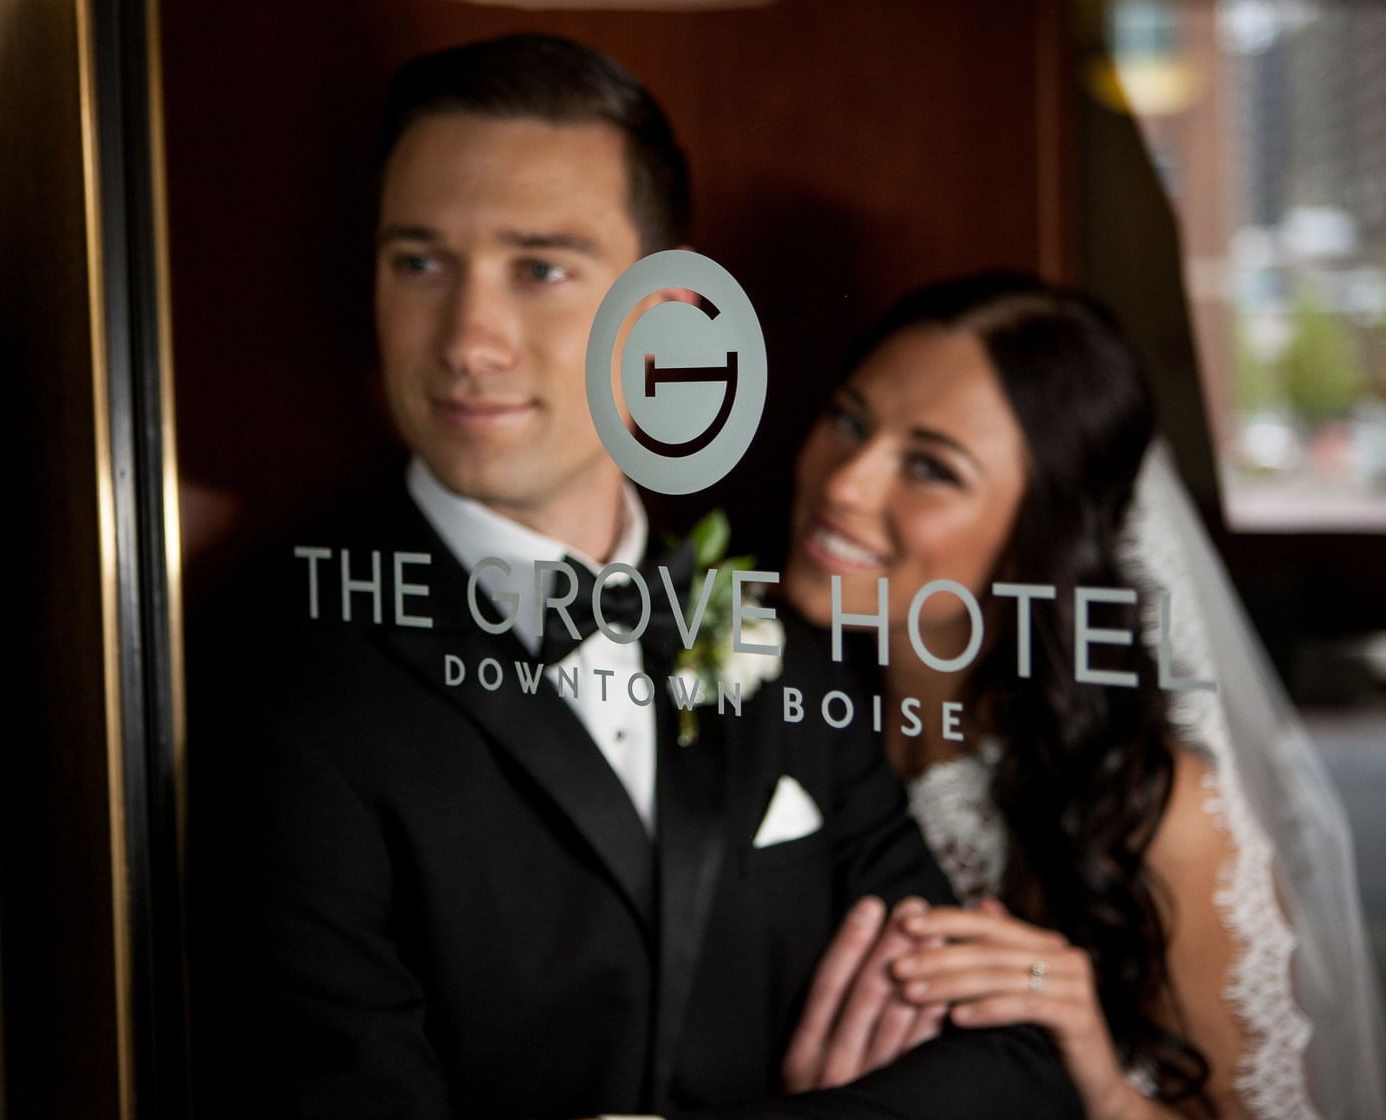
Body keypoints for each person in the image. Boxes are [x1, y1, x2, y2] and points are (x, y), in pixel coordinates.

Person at [188, 35, 1082, 1120]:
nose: (467, 341)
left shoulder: (786, 650)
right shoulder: (278, 671)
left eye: (540, 268)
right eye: (418, 260)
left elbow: (1016, 1076)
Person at [780, 272, 1386, 1119]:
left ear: (1044, 534)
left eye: (930, 467)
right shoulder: (771, 714)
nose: (845, 483)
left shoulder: (1156, 815)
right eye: (848, 420)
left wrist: (1097, 1081)